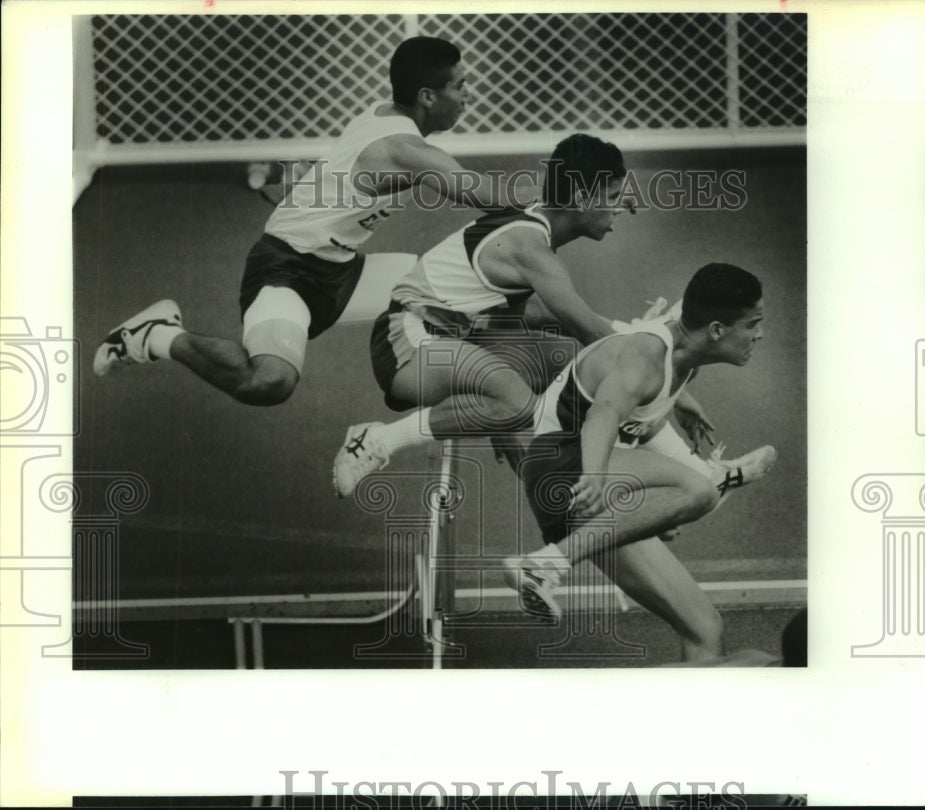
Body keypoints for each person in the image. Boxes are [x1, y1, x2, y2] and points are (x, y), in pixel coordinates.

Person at [93, 37, 532, 405]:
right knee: (268, 381)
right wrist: (562, 195)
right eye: (461, 86)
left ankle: (534, 371)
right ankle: (158, 335)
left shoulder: (390, 114)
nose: (468, 96)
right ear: (427, 97)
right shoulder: (403, 147)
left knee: (467, 291)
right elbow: (484, 194)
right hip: (288, 272)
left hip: (343, 270)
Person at [333, 133, 642, 496]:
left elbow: (514, 329)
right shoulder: (529, 247)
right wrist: (662, 363)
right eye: (612, 198)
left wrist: (500, 421)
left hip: (456, 340)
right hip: (407, 340)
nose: (621, 208)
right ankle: (376, 440)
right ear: (579, 199)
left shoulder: (534, 231)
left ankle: (687, 468)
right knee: (521, 401)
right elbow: (591, 330)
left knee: (580, 365)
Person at [502, 263, 776, 663]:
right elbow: (605, 413)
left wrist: (650, 513)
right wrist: (595, 479)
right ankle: (544, 565)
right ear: (716, 329)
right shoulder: (647, 353)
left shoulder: (683, 361)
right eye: (754, 324)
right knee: (698, 488)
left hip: (578, 492)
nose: (760, 334)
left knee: (704, 629)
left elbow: (634, 422)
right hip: (563, 464)